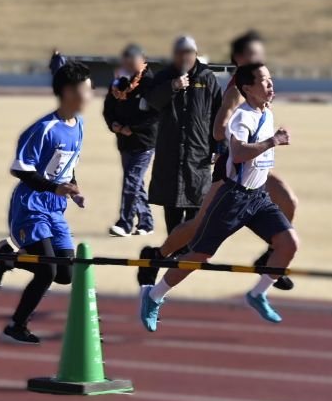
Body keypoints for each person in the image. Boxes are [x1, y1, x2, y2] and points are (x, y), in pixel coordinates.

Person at [140, 63, 298, 331]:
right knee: (199, 255)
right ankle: (154, 296)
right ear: (247, 88)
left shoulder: (266, 112)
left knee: (289, 243)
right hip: (233, 198)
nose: (270, 84)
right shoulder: (242, 117)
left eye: (270, 78)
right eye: (264, 80)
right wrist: (273, 141)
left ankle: (258, 293)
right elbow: (238, 154)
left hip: (258, 198)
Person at [0, 62, 91, 345]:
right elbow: (20, 169)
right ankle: (17, 325)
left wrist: (74, 190)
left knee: (65, 273)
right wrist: (55, 187)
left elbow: (67, 167)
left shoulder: (79, 125)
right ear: (68, 92)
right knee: (47, 270)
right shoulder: (44, 129)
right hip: (30, 205)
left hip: (56, 207)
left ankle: (8, 258)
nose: (90, 95)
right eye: (86, 90)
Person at [144, 36, 222, 234]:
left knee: (196, 214)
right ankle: (174, 247)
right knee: (172, 213)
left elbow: (219, 114)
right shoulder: (163, 76)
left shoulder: (207, 78)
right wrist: (172, 86)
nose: (184, 57)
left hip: (198, 156)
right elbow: (152, 101)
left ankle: (187, 250)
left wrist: (219, 147)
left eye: (188, 53)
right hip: (170, 155)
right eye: (180, 53)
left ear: (196, 54)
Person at [102, 44, 158, 237]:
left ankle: (125, 223)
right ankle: (147, 223)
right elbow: (108, 108)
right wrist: (114, 125)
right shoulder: (118, 82)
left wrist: (132, 128)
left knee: (131, 180)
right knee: (135, 183)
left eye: (133, 58)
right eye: (126, 59)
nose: (129, 62)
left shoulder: (151, 83)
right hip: (124, 142)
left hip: (144, 142)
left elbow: (155, 115)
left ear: (143, 59)